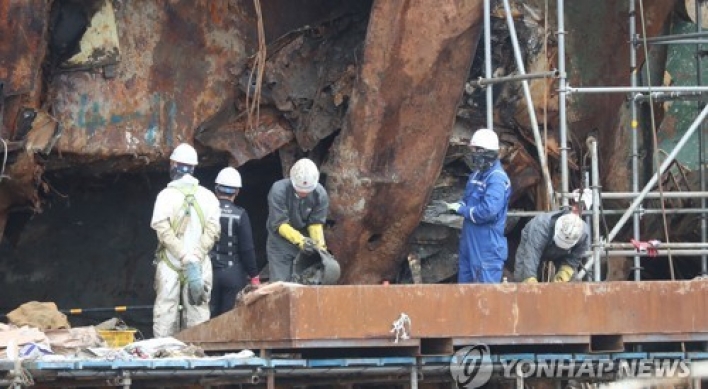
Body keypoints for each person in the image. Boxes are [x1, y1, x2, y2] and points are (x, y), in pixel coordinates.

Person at [150, 143, 221, 337]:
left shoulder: (165, 196)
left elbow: (162, 230)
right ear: (193, 167)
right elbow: (213, 230)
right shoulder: (208, 197)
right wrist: (195, 255)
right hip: (199, 263)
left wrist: (183, 255)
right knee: (198, 312)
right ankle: (198, 355)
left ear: (173, 164)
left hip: (171, 262)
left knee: (166, 311)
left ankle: (164, 355)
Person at [441, 128, 512, 283]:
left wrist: (462, 210)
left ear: (486, 152)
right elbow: (467, 200)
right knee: (465, 293)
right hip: (469, 242)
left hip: (487, 245)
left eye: (476, 150)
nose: (473, 154)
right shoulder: (476, 175)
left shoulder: (497, 179)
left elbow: (488, 211)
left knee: (485, 296)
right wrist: (452, 206)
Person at [266, 158, 329, 282]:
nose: (303, 194)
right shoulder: (278, 190)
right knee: (280, 285)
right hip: (280, 243)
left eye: (307, 191)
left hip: (306, 244)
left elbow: (315, 223)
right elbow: (280, 224)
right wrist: (301, 241)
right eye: (300, 191)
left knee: (306, 283)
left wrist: (320, 248)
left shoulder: (320, 194)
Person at [209, 167, 260, 317]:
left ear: (216, 188)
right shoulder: (240, 214)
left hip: (208, 272)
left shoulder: (206, 211)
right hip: (233, 273)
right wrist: (254, 276)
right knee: (229, 319)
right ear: (237, 191)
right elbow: (247, 249)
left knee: (206, 319)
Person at [513, 190, 591, 283]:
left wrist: (564, 274)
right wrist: (529, 278)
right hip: (534, 244)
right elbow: (532, 253)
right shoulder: (540, 227)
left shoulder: (583, 234)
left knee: (570, 283)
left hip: (563, 253)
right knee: (523, 277)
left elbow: (575, 257)